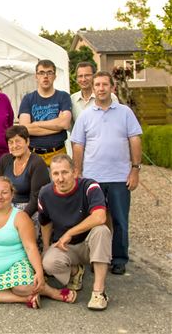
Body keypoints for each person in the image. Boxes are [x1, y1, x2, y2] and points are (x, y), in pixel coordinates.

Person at [71, 71, 142, 275]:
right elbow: (78, 145)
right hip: (93, 178)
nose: (101, 88)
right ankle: (97, 257)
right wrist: (78, 171)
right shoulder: (85, 115)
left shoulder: (125, 112)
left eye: (104, 84)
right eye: (97, 85)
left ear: (112, 88)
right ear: (93, 89)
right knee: (95, 220)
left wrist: (135, 170)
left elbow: (135, 140)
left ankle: (119, 259)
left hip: (120, 177)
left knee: (120, 220)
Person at [0, 177, 77, 308]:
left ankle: (52, 292)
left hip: (17, 265)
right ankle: (26, 298)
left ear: (12, 195)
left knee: (22, 287)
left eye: (4, 192)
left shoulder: (20, 217)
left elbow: (30, 247)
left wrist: (39, 272)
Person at [39, 154, 112, 311]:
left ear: (75, 172)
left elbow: (100, 216)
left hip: (90, 244)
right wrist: (45, 247)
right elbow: (45, 223)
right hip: (66, 247)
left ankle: (99, 292)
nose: (60, 178)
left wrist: (70, 232)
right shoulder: (45, 193)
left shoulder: (90, 186)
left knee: (102, 231)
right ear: (51, 175)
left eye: (65, 172)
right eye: (55, 174)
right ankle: (75, 271)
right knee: (48, 262)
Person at [18, 59, 72, 166]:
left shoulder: (63, 96)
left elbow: (65, 124)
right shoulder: (28, 99)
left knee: (60, 182)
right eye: (41, 72)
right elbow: (25, 129)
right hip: (33, 155)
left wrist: (37, 124)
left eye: (49, 72)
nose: (45, 76)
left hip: (58, 153)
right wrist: (57, 126)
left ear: (55, 76)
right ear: (36, 76)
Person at [0, 125, 50, 218]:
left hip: (29, 210)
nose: (14, 146)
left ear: (27, 142)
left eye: (18, 141)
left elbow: (36, 198)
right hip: (5, 207)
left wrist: (20, 218)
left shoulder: (37, 163)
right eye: (10, 142)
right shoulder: (5, 159)